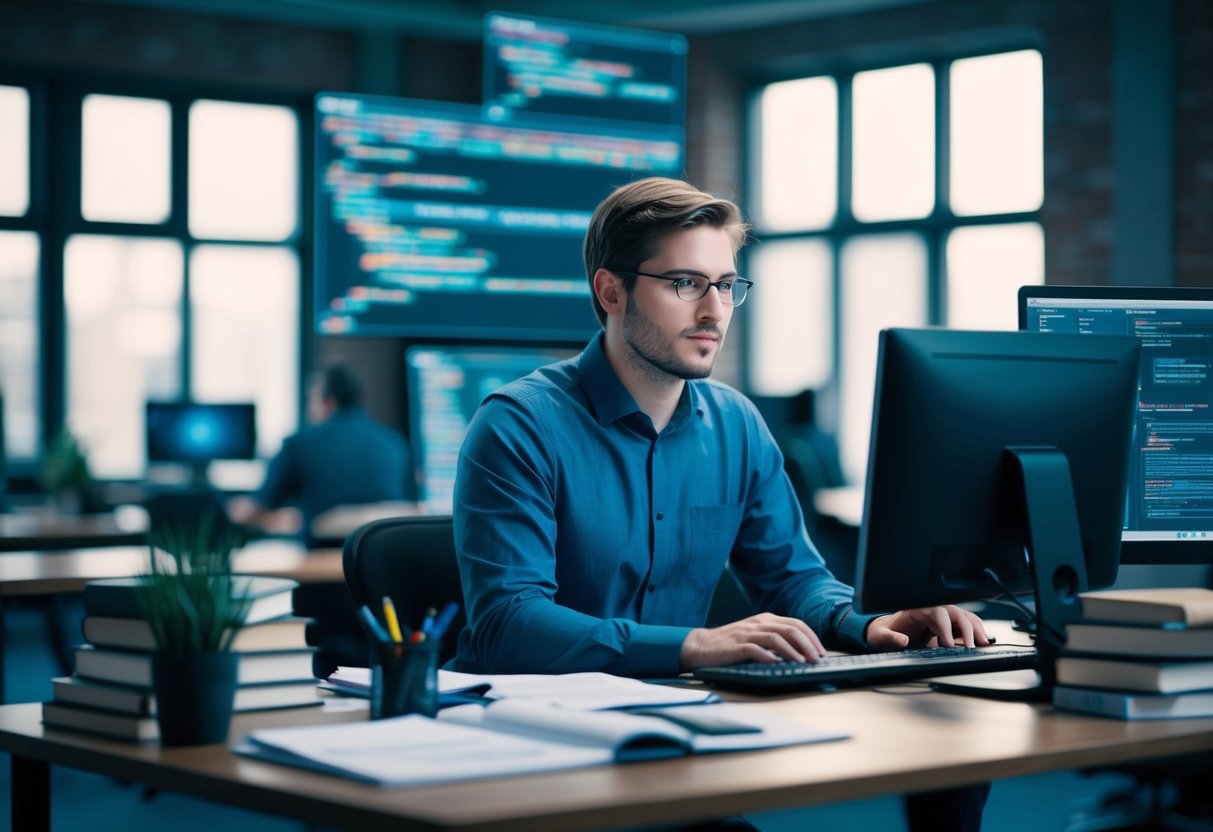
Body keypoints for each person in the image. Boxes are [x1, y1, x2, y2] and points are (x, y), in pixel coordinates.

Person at [451, 177, 990, 830]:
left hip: (673, 746)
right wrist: (694, 645)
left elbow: (793, 580)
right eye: (684, 283)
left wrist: (870, 626)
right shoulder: (518, 425)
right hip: (522, 761)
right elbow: (509, 625)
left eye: (726, 284)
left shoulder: (735, 424)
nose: (714, 311)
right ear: (610, 290)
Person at [228, 365, 413, 547]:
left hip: (321, 555)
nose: (309, 410)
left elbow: (260, 506)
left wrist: (232, 509)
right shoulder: (395, 442)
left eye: (311, 401)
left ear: (328, 402)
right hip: (382, 558)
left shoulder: (300, 443)